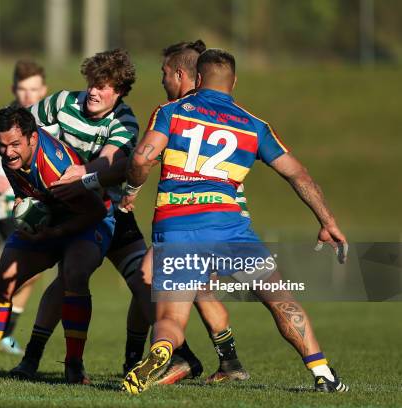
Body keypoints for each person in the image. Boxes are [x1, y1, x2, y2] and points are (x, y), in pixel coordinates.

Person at [121, 49, 349, 394]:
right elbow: (298, 174)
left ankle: (162, 350)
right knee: (280, 299)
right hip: (230, 228)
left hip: (177, 227)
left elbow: (142, 158)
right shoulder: (255, 126)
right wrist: (327, 221)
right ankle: (323, 373)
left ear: (197, 80)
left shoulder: (171, 112)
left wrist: (132, 189)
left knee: (171, 317)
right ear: (234, 82)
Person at [10, 49, 203, 383]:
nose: (94, 92)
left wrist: (79, 174)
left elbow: (109, 163)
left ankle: (169, 356)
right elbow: (21, 129)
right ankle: (33, 358)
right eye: (92, 84)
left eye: (104, 86)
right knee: (69, 277)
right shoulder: (62, 103)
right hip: (67, 210)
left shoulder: (125, 122)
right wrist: (24, 185)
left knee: (142, 282)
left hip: (109, 213)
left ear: (120, 91)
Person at [0, 106, 114, 384]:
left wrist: (52, 233)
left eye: (15, 144)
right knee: (2, 281)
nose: (8, 152)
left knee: (75, 274)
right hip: (50, 219)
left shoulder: (55, 170)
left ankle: (74, 365)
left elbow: (95, 210)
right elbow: (25, 192)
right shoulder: (10, 156)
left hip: (89, 221)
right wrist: (22, 209)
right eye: (2, 145)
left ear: (33, 138)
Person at [157, 40, 250, 383]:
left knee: (150, 277)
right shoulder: (214, 111)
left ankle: (175, 356)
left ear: (183, 74)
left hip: (196, 219)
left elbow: (142, 159)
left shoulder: (180, 113)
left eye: (165, 73)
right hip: (222, 216)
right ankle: (229, 363)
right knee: (198, 288)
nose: (162, 81)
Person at [0, 60, 48, 355]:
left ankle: (3, 329)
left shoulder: (47, 120)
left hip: (38, 202)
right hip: (9, 204)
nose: (28, 95)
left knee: (33, 272)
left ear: (44, 90)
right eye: (23, 89)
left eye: (34, 89)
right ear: (13, 89)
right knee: (22, 265)